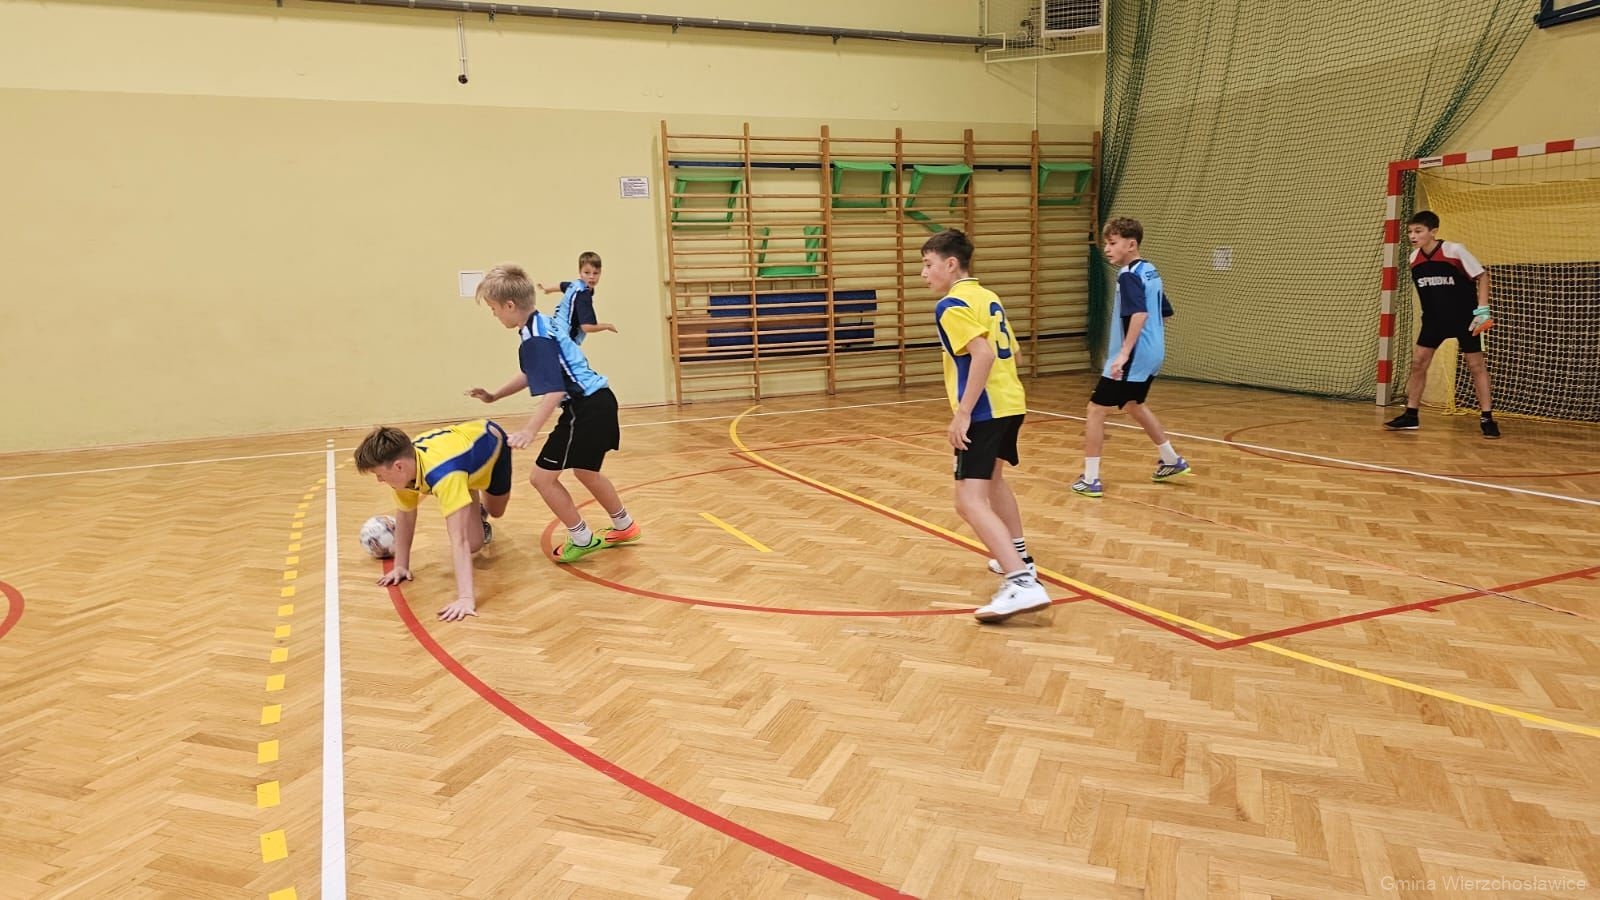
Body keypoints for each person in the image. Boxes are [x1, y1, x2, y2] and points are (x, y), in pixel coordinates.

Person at [469, 263, 641, 564]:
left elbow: (555, 389)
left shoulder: (535, 338)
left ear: (509, 305)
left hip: (584, 409)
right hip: (601, 401)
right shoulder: (541, 324)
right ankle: (625, 525)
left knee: (541, 478)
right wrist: (495, 395)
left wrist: (529, 430)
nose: (494, 314)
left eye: (493, 309)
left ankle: (582, 537)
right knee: (586, 471)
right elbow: (531, 374)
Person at [921, 229, 1050, 624]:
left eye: (927, 264)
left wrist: (963, 412)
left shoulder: (951, 305)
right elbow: (1014, 352)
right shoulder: (987, 297)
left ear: (951, 264)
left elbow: (983, 354)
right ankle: (1019, 554)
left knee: (968, 501)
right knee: (993, 481)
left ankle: (1021, 582)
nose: (923, 273)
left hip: (984, 410)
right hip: (1011, 402)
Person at [1072, 217, 1191, 498]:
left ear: (1131, 244)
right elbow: (1165, 312)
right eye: (1106, 244)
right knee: (1133, 404)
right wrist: (1150, 341)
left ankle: (1090, 478)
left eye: (1112, 243)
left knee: (1095, 409)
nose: (1107, 249)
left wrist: (1124, 353)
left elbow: (1139, 314)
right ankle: (1171, 460)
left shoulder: (1128, 275)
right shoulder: (1150, 271)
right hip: (1152, 352)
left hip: (1133, 355)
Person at [354, 420, 511, 621]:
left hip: (492, 444)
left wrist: (465, 598)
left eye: (379, 475)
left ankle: (472, 501)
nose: (380, 480)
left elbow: (458, 540)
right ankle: (465, 494)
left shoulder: (445, 475)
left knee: (496, 511)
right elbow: (405, 514)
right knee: (475, 544)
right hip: (460, 462)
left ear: (398, 466)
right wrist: (401, 565)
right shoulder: (405, 471)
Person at [1384, 210, 1500, 438]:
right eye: (1410, 231)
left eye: (1418, 231)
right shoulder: (1414, 259)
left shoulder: (1454, 251)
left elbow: (1482, 275)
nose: (1413, 236)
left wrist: (1483, 310)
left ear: (1433, 232)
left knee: (1476, 365)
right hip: (1434, 320)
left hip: (1466, 319)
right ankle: (1411, 415)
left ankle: (1487, 417)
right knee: (1418, 363)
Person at [537, 251, 617, 342]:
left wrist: (548, 289)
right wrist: (607, 326)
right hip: (564, 338)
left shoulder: (575, 285)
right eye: (587, 272)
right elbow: (587, 327)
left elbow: (561, 286)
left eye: (595, 273)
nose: (591, 277)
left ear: (600, 273)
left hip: (553, 329)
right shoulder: (583, 295)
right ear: (580, 272)